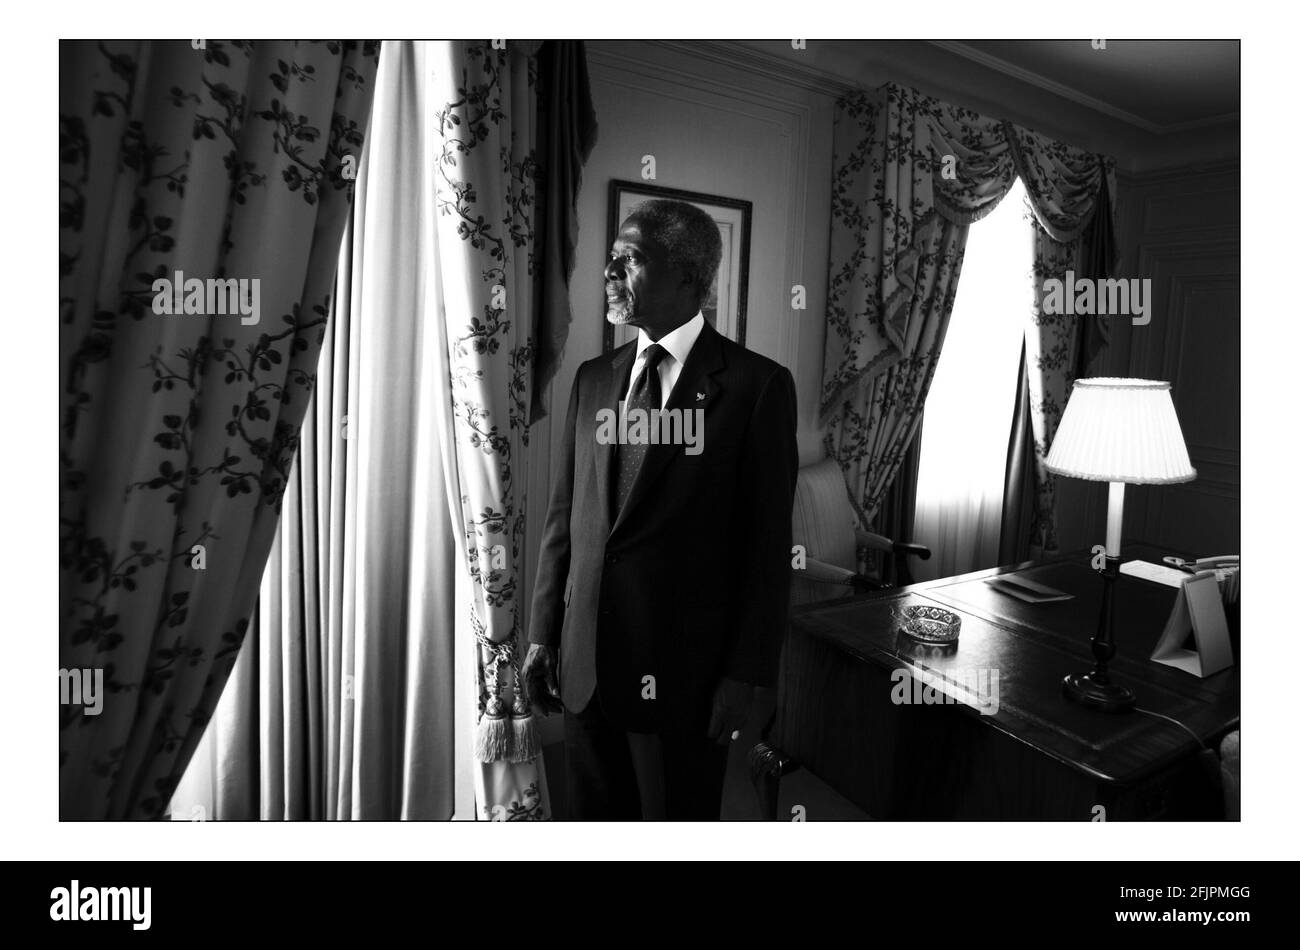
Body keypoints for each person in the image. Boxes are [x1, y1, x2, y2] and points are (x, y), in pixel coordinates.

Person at [523, 198, 797, 820]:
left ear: (687, 276)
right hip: (586, 658)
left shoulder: (757, 387)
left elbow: (764, 551)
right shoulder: (594, 378)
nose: (609, 271)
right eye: (612, 257)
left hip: (690, 671)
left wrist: (745, 677)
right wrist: (543, 634)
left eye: (631, 258)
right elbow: (565, 518)